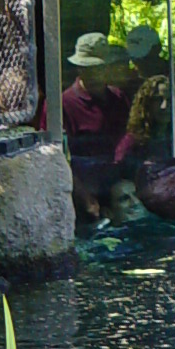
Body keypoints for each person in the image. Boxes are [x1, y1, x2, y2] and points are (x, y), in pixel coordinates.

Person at [61, 33, 131, 217]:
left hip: (119, 190)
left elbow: (130, 138)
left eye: (98, 67)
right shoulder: (64, 104)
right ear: (78, 68)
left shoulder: (118, 98)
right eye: (87, 68)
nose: (93, 73)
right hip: (83, 195)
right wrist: (84, 197)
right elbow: (59, 158)